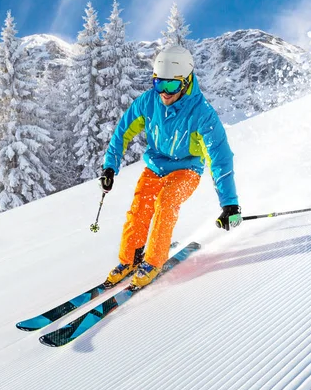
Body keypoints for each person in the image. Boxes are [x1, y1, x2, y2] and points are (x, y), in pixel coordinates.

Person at [99, 45, 241, 289]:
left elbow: (219, 156)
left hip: (187, 170)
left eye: (171, 86)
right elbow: (122, 131)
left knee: (165, 203)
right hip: (155, 165)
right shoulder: (148, 102)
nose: (164, 92)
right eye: (159, 84)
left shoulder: (202, 113)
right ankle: (131, 257)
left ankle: (153, 261)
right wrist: (110, 166)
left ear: (185, 82)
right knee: (140, 206)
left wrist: (230, 204)